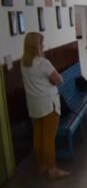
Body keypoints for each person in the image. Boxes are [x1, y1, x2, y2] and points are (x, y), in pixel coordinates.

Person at [20, 32, 69, 179]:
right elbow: (58, 80)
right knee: (49, 139)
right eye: (41, 43)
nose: (43, 46)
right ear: (36, 46)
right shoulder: (43, 63)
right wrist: (56, 80)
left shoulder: (23, 63)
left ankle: (42, 164)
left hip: (33, 104)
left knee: (38, 136)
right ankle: (53, 169)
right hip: (48, 104)